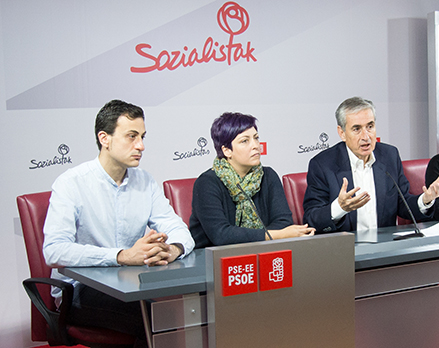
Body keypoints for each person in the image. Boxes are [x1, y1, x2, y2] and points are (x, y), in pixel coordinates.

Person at [43, 100, 195, 346]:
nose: (141, 146)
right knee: (152, 318)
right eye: (131, 136)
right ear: (105, 138)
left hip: (129, 285)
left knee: (178, 308)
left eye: (143, 136)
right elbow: (54, 250)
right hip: (78, 290)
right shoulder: (71, 183)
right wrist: (122, 256)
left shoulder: (144, 181)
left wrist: (172, 249)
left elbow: (179, 229)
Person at [302, 96, 439, 234]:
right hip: (344, 249)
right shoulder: (323, 165)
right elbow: (311, 219)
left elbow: (403, 204)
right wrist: (340, 208)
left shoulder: (389, 155)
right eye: (357, 129)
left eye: (370, 126)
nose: (366, 136)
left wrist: (425, 200)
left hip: (385, 248)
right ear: (342, 133)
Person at [189, 112, 314, 248]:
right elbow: (221, 235)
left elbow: (283, 222)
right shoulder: (207, 183)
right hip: (212, 259)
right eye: (245, 141)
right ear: (227, 151)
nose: (255, 145)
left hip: (264, 252)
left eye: (256, 138)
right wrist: (274, 235)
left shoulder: (268, 175)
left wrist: (265, 238)